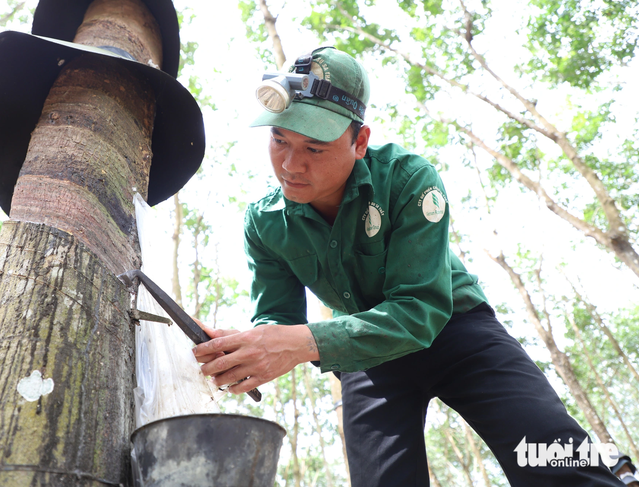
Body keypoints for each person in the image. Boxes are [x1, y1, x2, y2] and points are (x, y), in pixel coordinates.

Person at [192, 46, 623, 486]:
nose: (290, 165)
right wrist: (248, 345)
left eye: (315, 148)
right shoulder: (265, 223)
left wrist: (296, 342)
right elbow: (279, 320)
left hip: (456, 330)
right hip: (362, 356)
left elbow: (419, 310)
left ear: (359, 142)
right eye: (279, 139)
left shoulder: (407, 179)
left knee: (556, 458)